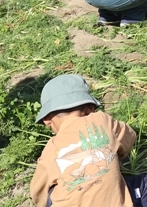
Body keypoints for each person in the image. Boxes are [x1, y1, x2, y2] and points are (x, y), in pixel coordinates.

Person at [30, 74, 137, 207]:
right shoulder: (102, 120)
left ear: (47, 120)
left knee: (51, 189)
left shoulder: (52, 149)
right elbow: (130, 137)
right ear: (90, 108)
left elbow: (37, 192)